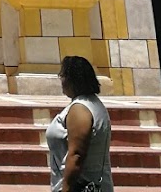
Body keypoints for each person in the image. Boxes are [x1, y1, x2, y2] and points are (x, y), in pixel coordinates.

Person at [45, 55, 113, 192]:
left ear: (72, 79)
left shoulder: (80, 109)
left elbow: (76, 155)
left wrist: (66, 189)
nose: (61, 80)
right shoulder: (93, 104)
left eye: (62, 75)